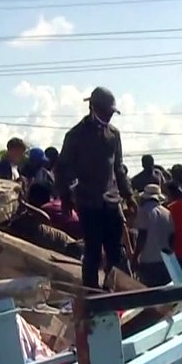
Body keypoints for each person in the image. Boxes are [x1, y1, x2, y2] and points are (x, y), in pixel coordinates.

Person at [56, 87, 134, 289]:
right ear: (92, 107)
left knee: (116, 251)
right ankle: (92, 293)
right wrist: (65, 197)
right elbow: (62, 167)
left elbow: (118, 168)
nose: (108, 116)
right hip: (88, 201)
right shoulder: (76, 135)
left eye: (111, 113)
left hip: (112, 200)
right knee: (92, 251)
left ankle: (119, 291)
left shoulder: (114, 135)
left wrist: (129, 195)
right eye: (105, 111)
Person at [133, 184, 175, 287]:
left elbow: (142, 234)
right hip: (165, 261)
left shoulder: (144, 211)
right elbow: (172, 237)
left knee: (150, 294)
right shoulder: (167, 213)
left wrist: (135, 256)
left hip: (149, 260)